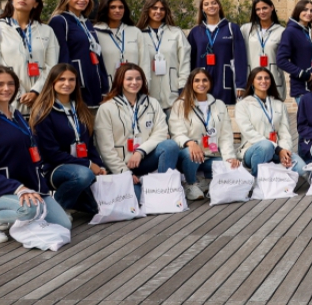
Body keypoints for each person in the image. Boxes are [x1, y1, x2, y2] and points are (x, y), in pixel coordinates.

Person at [0, 65, 69, 243]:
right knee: (30, 210)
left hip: (29, 187)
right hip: (2, 189)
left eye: (10, 83)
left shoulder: (17, 114)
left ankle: (15, 217)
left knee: (64, 224)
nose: (6, 88)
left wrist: (38, 187)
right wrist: (17, 188)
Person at [94, 63, 180, 198]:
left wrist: (140, 152)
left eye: (138, 78)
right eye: (129, 79)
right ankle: (138, 183)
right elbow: (105, 148)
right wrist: (124, 173)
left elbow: (161, 133)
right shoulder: (106, 108)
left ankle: (164, 191)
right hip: (121, 166)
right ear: (120, 80)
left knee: (170, 145)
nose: (134, 82)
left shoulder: (152, 103)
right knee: (138, 199)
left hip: (145, 159)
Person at [29, 63, 102, 215]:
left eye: (71, 80)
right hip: (54, 168)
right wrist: (88, 164)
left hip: (81, 167)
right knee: (84, 175)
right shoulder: (43, 112)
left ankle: (73, 200)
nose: (67, 84)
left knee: (95, 209)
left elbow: (89, 144)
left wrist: (100, 167)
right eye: (61, 79)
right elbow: (51, 154)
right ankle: (56, 210)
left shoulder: (81, 108)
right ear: (52, 82)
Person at [169, 68, 240, 200]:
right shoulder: (180, 105)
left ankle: (205, 181)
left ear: (210, 83)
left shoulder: (219, 104)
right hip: (188, 156)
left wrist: (229, 157)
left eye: (204, 80)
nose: (201, 84)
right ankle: (190, 184)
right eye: (197, 81)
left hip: (211, 156)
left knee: (230, 165)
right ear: (191, 83)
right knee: (191, 153)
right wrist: (190, 143)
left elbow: (225, 136)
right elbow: (176, 133)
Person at [0, 0, 59, 112]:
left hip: (40, 100)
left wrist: (36, 91)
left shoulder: (47, 31)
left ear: (35, 4)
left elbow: (52, 66)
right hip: (8, 98)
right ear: (12, 0)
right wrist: (19, 93)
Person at [235, 67, 305, 177]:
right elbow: (249, 132)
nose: (263, 81)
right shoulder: (243, 105)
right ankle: (257, 181)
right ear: (252, 81)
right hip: (253, 150)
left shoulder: (279, 105)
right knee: (265, 146)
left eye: (267, 78)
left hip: (278, 150)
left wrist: (285, 151)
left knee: (302, 168)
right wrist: (277, 149)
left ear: (271, 81)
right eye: (259, 78)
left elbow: (285, 132)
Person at [48, 0, 109, 108]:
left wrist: (104, 86)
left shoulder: (86, 22)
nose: (82, 0)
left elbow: (98, 54)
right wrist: (70, 84)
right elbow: (61, 57)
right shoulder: (59, 21)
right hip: (77, 87)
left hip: (95, 85)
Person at [187, 0, 247, 105]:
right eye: (206, 4)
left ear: (219, 6)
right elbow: (190, 60)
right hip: (202, 80)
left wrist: (241, 84)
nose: (211, 6)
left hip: (224, 78)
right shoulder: (195, 32)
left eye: (214, 3)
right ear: (202, 9)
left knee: (222, 115)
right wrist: (189, 84)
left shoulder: (232, 28)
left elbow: (241, 58)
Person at [137, 0, 191, 112]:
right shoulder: (138, 34)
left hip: (173, 98)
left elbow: (185, 63)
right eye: (154, 8)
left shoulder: (176, 33)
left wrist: (182, 89)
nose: (158, 11)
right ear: (147, 10)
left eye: (162, 9)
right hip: (146, 98)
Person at [94, 0, 144, 88]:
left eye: (121, 7)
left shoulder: (135, 32)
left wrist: (144, 86)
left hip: (133, 88)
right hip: (107, 89)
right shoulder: (95, 33)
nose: (117, 10)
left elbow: (144, 62)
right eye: (113, 7)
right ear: (105, 9)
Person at [278, 0, 312, 99]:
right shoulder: (290, 32)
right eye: (305, 10)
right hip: (301, 86)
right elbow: (281, 60)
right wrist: (303, 74)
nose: (309, 13)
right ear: (298, 11)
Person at [239, 0, 286, 91]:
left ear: (272, 7)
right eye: (258, 9)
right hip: (252, 79)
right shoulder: (246, 29)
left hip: (274, 80)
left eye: (264, 8)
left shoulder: (282, 31)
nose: (261, 12)